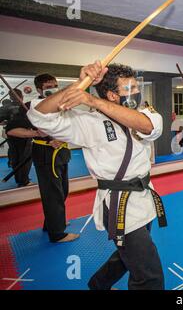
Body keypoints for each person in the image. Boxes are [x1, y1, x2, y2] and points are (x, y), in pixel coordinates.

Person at [27, 61, 165, 290]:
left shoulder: (144, 113)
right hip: (120, 203)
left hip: (145, 196)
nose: (136, 93)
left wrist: (92, 99)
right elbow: (39, 116)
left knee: (128, 253)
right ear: (111, 95)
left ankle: (99, 284)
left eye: (135, 88)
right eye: (128, 90)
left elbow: (148, 127)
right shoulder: (87, 122)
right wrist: (82, 84)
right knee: (149, 275)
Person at [31, 74, 77, 243]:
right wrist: (41, 135)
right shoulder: (35, 106)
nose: (53, 89)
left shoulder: (61, 105)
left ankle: (51, 224)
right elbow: (17, 130)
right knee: (53, 193)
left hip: (62, 152)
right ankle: (57, 233)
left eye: (55, 86)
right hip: (46, 153)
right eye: (48, 87)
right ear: (39, 89)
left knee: (62, 190)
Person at [4, 89, 41, 187]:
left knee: (15, 157)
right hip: (23, 135)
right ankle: (24, 181)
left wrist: (7, 123)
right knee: (24, 158)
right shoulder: (22, 107)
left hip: (12, 136)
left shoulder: (6, 107)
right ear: (21, 96)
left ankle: (19, 179)